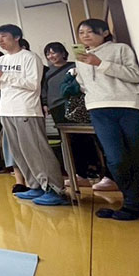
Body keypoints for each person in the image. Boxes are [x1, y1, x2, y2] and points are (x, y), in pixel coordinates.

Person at [0, 24, 69, 205]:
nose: (0, 41)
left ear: (17, 37)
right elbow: (1, 86)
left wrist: (3, 75)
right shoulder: (2, 60)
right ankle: (35, 185)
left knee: (36, 151)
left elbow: (33, 84)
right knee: (19, 153)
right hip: (7, 111)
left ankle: (54, 189)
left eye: (3, 36)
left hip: (26, 109)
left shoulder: (30, 57)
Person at [74, 18, 139, 220]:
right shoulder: (80, 58)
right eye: (81, 32)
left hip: (127, 106)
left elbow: (135, 75)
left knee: (135, 154)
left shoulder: (120, 49)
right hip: (98, 109)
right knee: (116, 159)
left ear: (104, 32)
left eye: (90, 31)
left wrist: (101, 64)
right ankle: (131, 203)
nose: (85, 35)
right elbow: (83, 84)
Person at [41, 42, 100, 181]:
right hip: (56, 109)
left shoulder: (74, 66)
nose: (51, 56)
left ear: (63, 53)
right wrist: (45, 104)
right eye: (48, 54)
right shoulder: (47, 73)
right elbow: (44, 91)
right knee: (67, 141)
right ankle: (77, 172)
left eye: (54, 52)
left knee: (83, 138)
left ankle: (92, 169)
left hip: (75, 106)